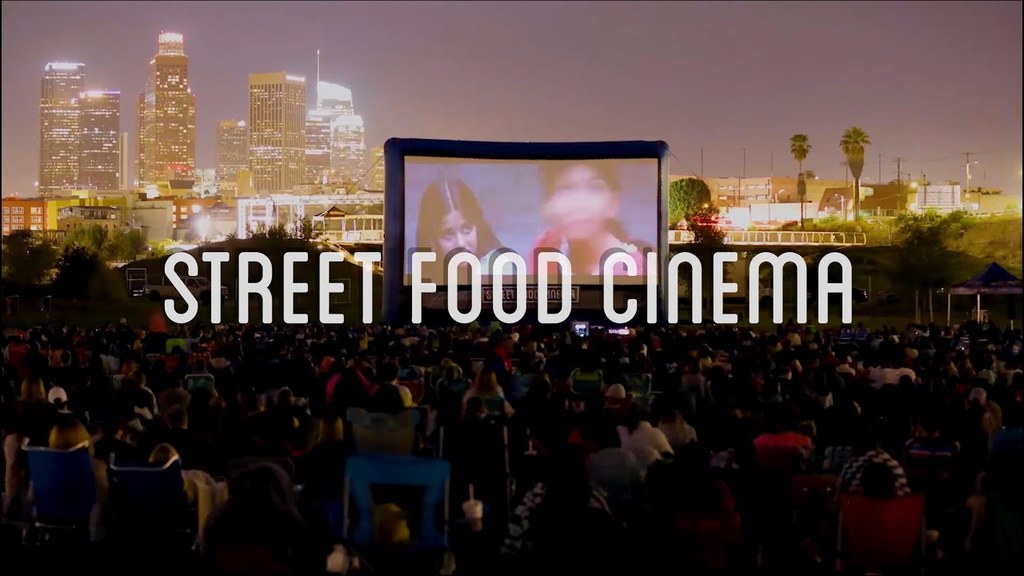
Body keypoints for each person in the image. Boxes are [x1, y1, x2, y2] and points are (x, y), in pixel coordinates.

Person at [530, 161, 652, 277]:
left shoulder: (634, 271)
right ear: (547, 205)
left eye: (594, 188)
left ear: (613, 203)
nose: (580, 202)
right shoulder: (546, 246)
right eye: (566, 188)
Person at [414, 178, 503, 282]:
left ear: (478, 227)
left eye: (467, 229)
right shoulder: (424, 278)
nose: (460, 243)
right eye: (448, 234)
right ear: (431, 240)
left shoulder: (499, 269)